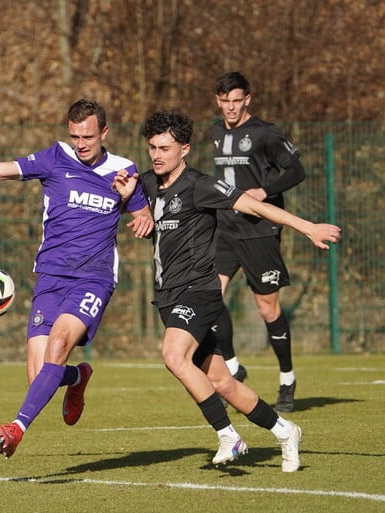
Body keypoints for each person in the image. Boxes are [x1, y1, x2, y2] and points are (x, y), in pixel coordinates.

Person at [0, 99, 153, 459]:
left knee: (57, 347)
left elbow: (145, 219)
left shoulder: (123, 170)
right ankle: (77, 377)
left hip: (93, 279)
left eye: (88, 136)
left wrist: (133, 201)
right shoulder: (55, 158)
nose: (81, 143)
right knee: (40, 375)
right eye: (75, 136)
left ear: (104, 132)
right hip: (51, 277)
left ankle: (15, 429)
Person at [114, 109, 340, 472]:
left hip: (199, 291)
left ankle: (227, 435)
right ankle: (285, 430)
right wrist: (129, 201)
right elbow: (132, 205)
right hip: (168, 295)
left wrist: (307, 226)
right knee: (221, 382)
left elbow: (254, 205)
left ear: (184, 149)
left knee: (173, 356)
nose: (157, 154)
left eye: (165, 148)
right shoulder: (147, 182)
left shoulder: (201, 185)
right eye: (152, 147)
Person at [211, 71, 306, 412]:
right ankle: (234, 366)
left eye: (237, 100)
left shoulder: (265, 133)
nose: (231, 107)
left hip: (259, 231)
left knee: (268, 308)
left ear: (247, 99)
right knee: (209, 294)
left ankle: (287, 378)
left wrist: (264, 192)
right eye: (225, 101)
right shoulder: (216, 131)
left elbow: (297, 171)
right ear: (218, 101)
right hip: (224, 229)